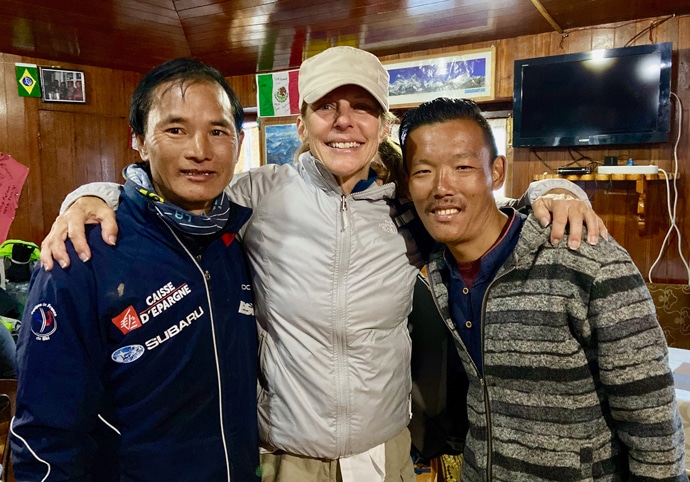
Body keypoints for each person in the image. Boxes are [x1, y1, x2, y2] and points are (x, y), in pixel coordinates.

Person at [39, 47, 606, 482]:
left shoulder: (409, 206)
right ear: (302, 121)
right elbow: (173, 195)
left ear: (382, 124)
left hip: (381, 454)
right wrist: (89, 197)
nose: (344, 120)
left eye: (361, 107)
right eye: (327, 106)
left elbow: (483, 210)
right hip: (287, 457)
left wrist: (558, 190)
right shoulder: (256, 194)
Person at [399, 96, 687, 481]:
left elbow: (650, 414)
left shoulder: (584, 255)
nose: (441, 187)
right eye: (423, 171)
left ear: (496, 172)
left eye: (463, 166)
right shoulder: (437, 263)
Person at [10, 58, 260, 481]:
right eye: (175, 129)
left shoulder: (240, 237)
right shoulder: (80, 254)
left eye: (217, 131)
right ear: (140, 141)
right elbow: (45, 434)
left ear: (237, 141)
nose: (199, 150)